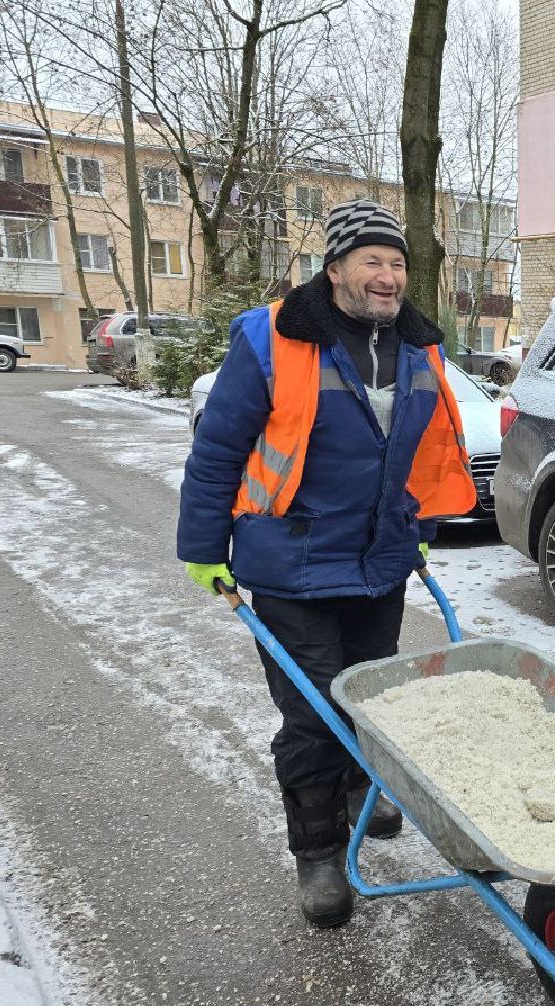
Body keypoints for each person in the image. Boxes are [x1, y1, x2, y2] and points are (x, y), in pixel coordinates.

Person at [177, 200, 476, 929]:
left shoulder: (416, 346)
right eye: (372, 260)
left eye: (398, 263)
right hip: (292, 563)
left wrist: (423, 526)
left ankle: (355, 793)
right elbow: (219, 450)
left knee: (370, 695)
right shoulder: (273, 340)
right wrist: (202, 550)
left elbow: (429, 448)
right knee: (313, 712)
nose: (388, 276)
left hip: (378, 562)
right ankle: (318, 852)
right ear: (335, 268)